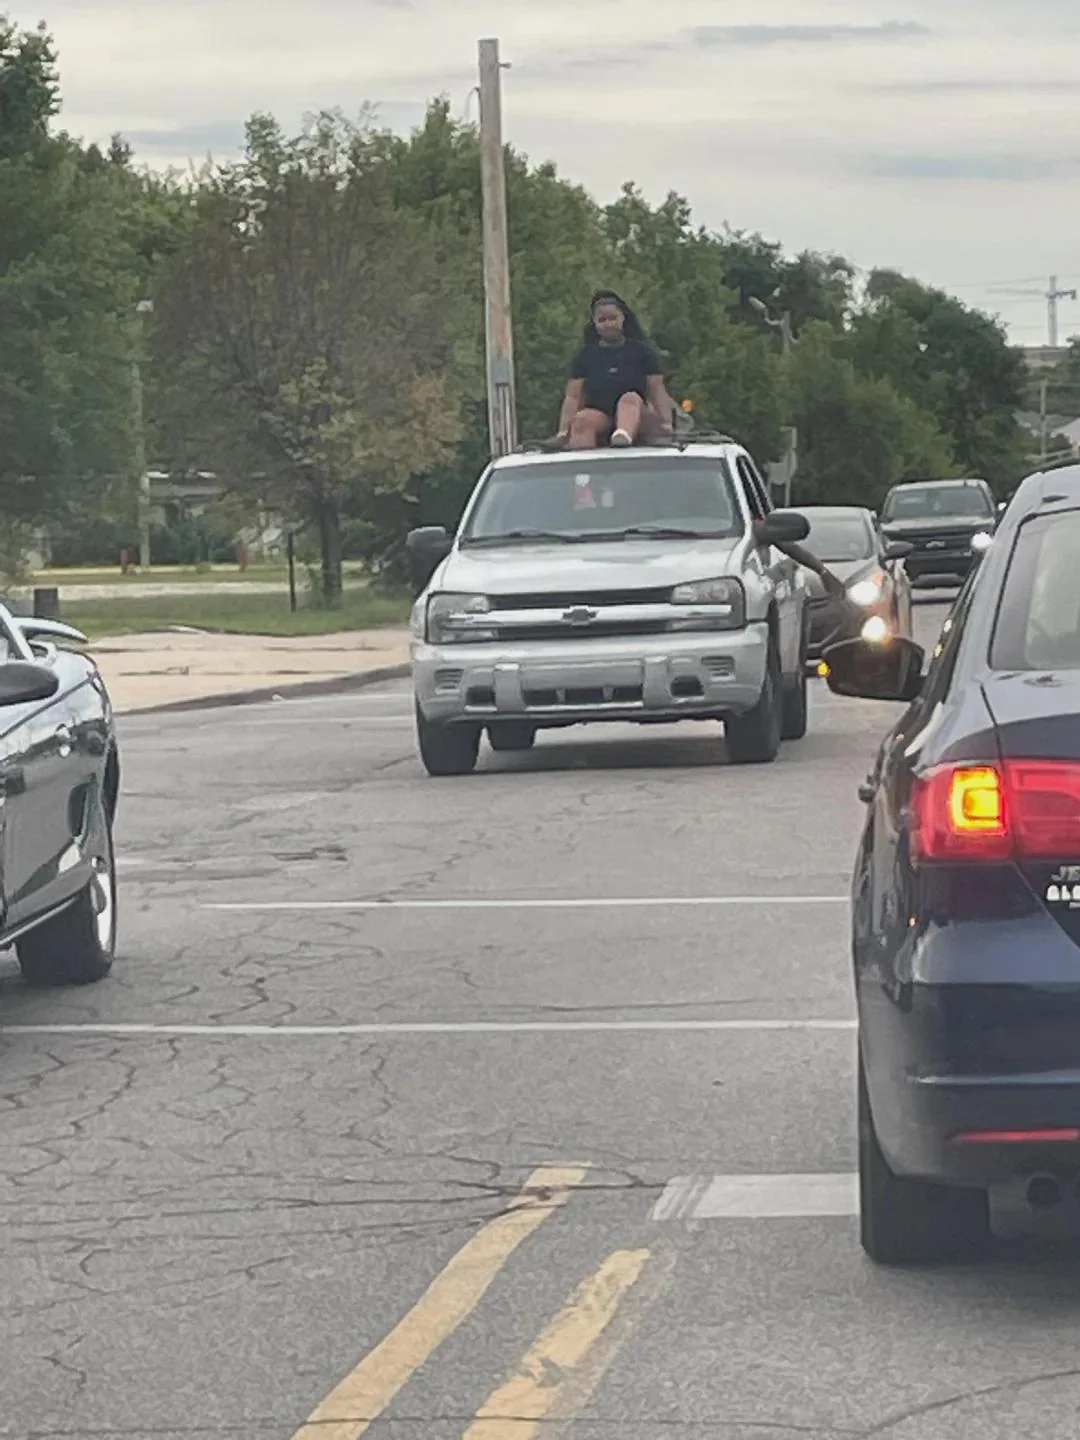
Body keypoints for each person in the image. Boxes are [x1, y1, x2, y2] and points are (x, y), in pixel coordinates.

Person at [557, 291, 676, 448]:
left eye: (613, 318)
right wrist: (564, 430)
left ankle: (623, 436)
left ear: (623, 318)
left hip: (638, 414)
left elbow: (657, 390)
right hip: (602, 415)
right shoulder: (585, 356)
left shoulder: (642, 351)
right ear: (595, 323)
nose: (608, 324)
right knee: (582, 420)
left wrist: (666, 422)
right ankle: (582, 460)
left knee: (629, 399)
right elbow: (573, 396)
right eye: (602, 320)